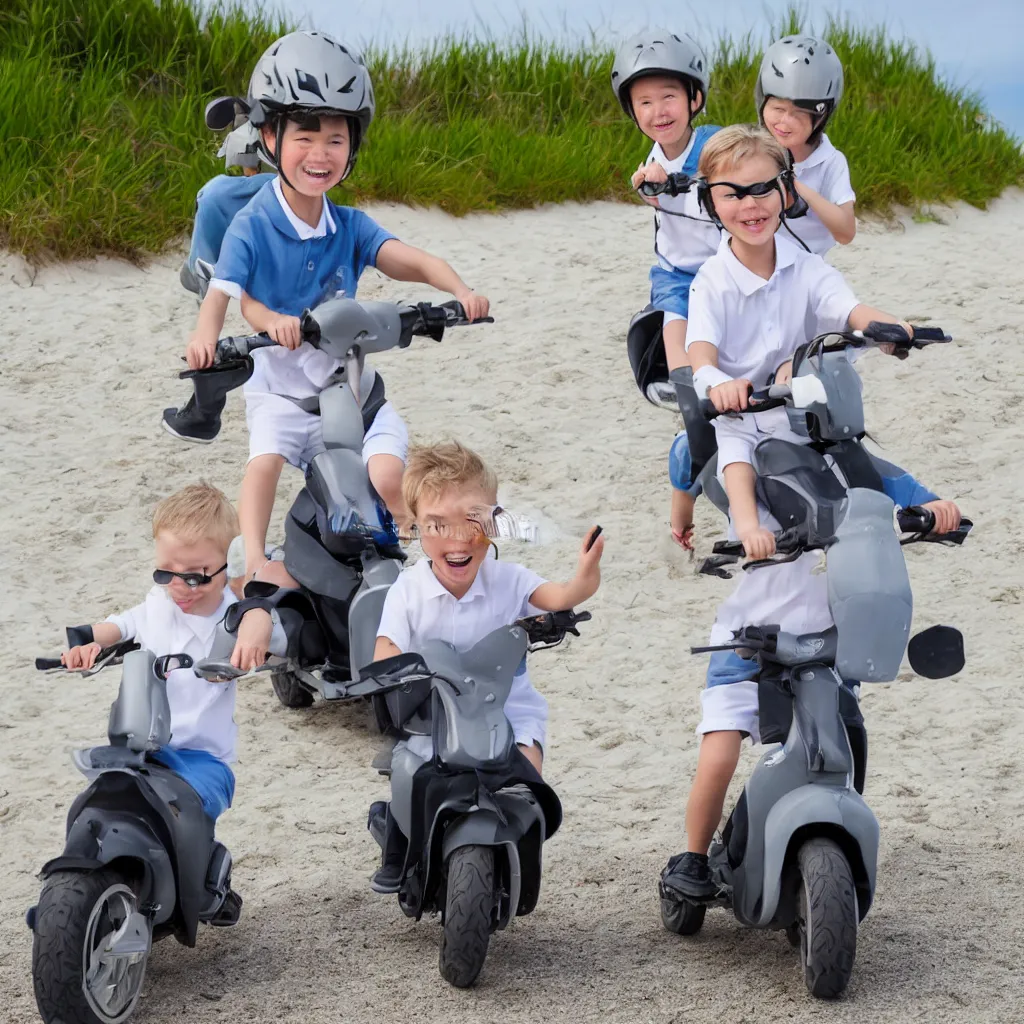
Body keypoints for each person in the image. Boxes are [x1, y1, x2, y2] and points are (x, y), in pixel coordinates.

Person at [659, 124, 961, 900]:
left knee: (863, 474)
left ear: (785, 191)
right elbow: (699, 355)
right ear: (712, 202)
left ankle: (928, 505)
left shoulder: (803, 263)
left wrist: (883, 330)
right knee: (722, 749)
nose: (753, 205)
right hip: (749, 429)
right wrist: (717, 379)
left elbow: (847, 308)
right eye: (735, 193)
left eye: (765, 189)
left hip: (811, 425)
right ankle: (692, 858)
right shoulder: (713, 283)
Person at [175, 32, 489, 585]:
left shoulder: (348, 224)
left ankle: (416, 560)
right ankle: (254, 562)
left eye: (336, 140)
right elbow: (225, 293)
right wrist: (222, 333)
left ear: (353, 147)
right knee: (265, 464)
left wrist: (458, 290)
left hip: (347, 389)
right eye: (305, 137)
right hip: (281, 390)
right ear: (269, 136)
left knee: (390, 478)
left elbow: (405, 259)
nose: (320, 155)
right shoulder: (251, 224)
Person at [365, 441, 603, 891]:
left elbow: (560, 598)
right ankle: (398, 846)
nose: (457, 539)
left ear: (495, 522)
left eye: (473, 521)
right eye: (438, 525)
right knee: (409, 772)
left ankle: (514, 856)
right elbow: (386, 645)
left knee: (525, 780)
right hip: (434, 714)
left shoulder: (509, 579)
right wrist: (388, 670)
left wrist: (584, 579)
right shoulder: (407, 591)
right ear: (414, 528)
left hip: (506, 709)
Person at [61, 483, 242, 837]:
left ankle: (202, 886)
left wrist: (253, 647)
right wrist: (87, 643)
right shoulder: (158, 604)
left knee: (180, 819)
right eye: (165, 573)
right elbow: (120, 624)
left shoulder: (234, 618)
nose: (178, 587)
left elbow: (271, 637)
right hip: (140, 749)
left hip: (202, 759)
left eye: (194, 576)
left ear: (227, 564)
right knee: (96, 807)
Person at [611, 29, 721, 549]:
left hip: (728, 280)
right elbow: (645, 180)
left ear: (694, 98)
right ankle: (682, 521)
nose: (659, 111)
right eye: (645, 101)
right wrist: (650, 183)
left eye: (669, 97)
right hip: (677, 284)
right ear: (633, 112)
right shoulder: (650, 163)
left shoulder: (715, 146)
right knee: (690, 392)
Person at [755, 35, 856, 255]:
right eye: (778, 109)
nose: (785, 122)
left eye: (799, 113)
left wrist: (797, 187)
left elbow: (846, 232)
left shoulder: (831, 161)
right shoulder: (752, 150)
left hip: (807, 270)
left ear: (820, 117)